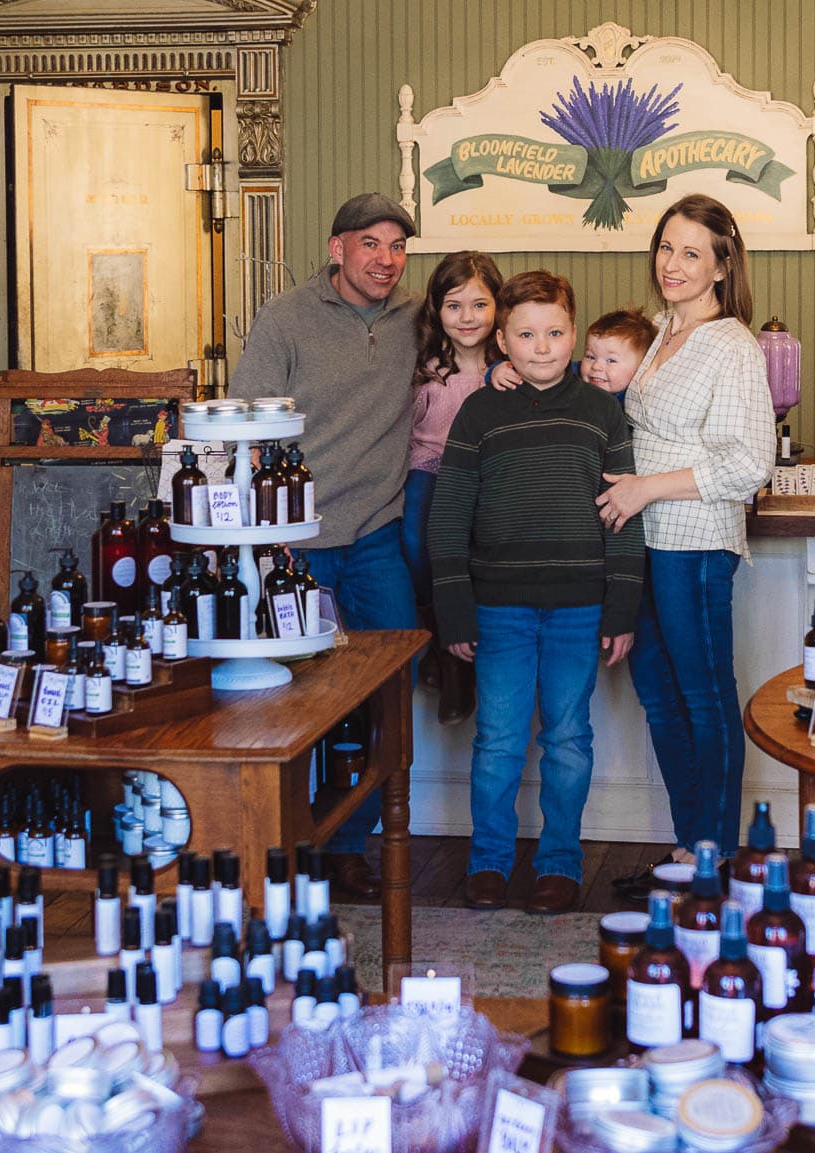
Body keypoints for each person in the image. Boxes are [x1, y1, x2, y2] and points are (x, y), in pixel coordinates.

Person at [429, 270, 644, 916]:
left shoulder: (602, 411)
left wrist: (622, 607)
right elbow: (449, 515)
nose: (541, 346)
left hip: (580, 606)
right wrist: (454, 609)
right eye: (525, 334)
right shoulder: (481, 410)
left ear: (573, 334)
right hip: (498, 607)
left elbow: (622, 513)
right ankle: (488, 861)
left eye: (554, 333)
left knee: (568, 738)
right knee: (496, 737)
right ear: (502, 339)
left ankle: (558, 862)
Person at [227, 192, 421, 900]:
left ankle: (347, 841)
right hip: (295, 541)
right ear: (336, 248)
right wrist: (265, 540)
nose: (386, 260)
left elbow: (475, 349)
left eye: (397, 247)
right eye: (371, 244)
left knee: (386, 688)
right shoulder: (287, 316)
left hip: (376, 534)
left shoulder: (414, 319)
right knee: (289, 694)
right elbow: (246, 417)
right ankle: (282, 838)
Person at [595, 194, 777, 897]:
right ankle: (686, 845)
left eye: (690, 253)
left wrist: (643, 487)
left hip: (695, 543)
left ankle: (719, 859)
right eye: (665, 247)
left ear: (722, 267)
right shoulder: (661, 328)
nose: (671, 264)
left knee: (702, 698)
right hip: (644, 542)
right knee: (660, 697)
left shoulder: (731, 344)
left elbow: (746, 461)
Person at [402, 251, 505, 725]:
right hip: (429, 467)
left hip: (486, 476)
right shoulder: (423, 366)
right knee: (417, 544)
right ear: (437, 311)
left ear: (498, 307)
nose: (468, 318)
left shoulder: (508, 365)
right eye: (454, 306)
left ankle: (469, 662)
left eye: (479, 305)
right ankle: (441, 646)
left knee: (479, 556)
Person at [487, 305, 656, 401]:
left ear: (641, 366)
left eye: (611, 361)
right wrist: (497, 370)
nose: (596, 366)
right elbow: (531, 371)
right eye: (590, 356)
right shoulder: (573, 374)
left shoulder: (634, 397)